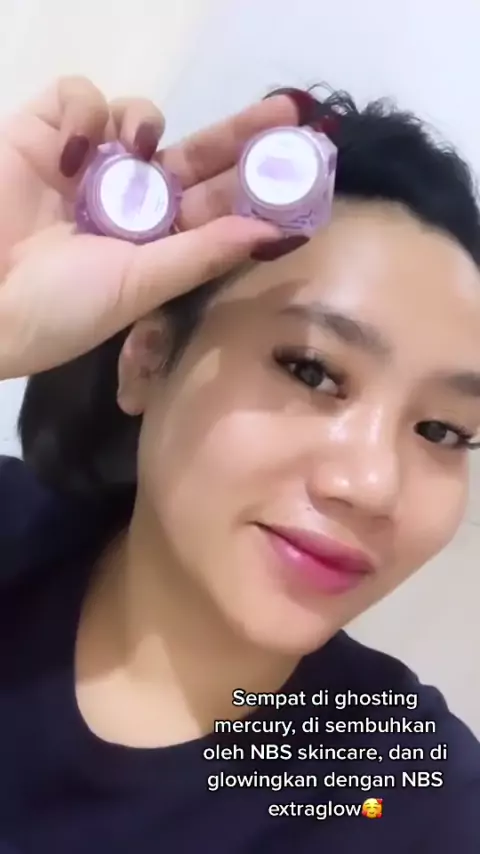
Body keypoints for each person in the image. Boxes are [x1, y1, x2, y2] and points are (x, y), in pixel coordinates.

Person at [0, 76, 479, 853]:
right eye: (312, 370)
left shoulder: (410, 800)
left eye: (444, 430)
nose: (372, 485)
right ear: (147, 359)